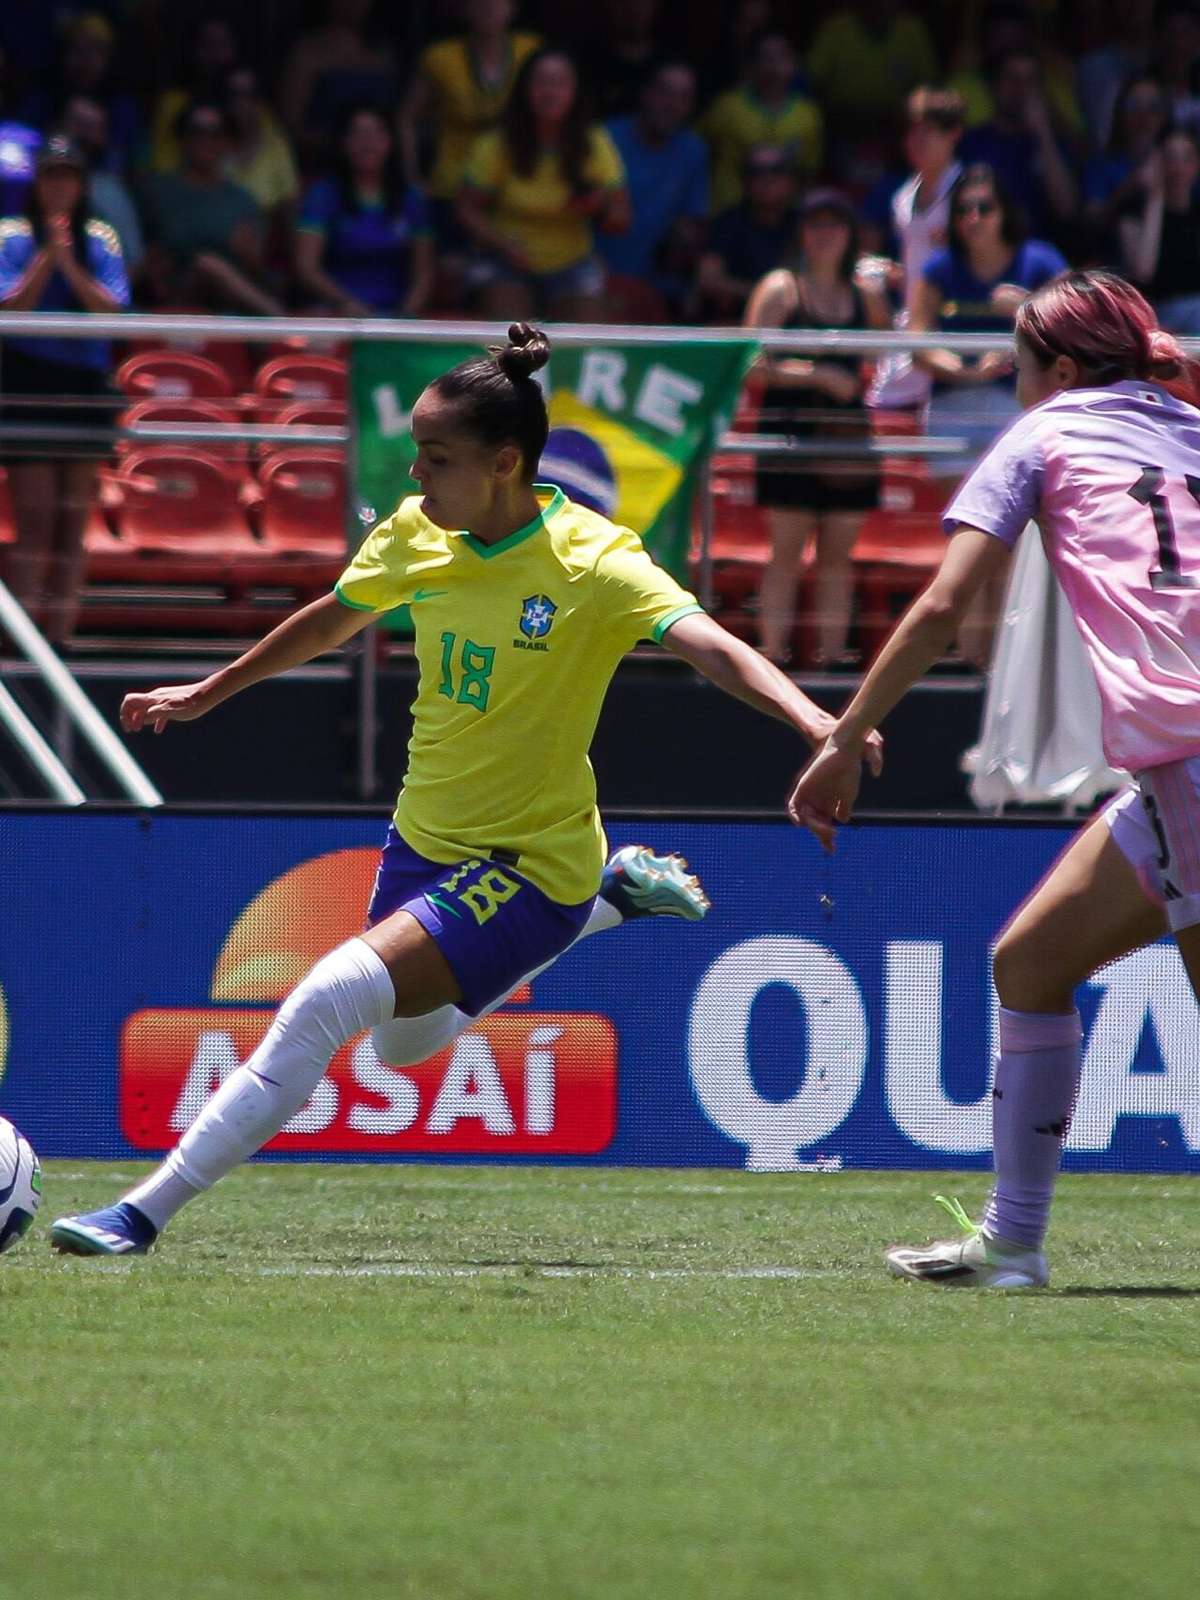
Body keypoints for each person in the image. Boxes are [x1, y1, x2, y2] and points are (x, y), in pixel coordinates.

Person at [49, 323, 881, 1256]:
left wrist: (819, 724)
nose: (414, 477)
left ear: (504, 464)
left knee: (325, 1000)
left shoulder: (594, 560)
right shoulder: (417, 535)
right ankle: (608, 904)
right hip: (425, 842)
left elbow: (712, 648)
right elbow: (330, 619)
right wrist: (210, 691)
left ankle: (139, 1214)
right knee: (402, 1043)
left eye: (435, 458)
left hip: (529, 860)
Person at [788, 269, 1200, 1290]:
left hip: (1191, 762)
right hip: (1168, 782)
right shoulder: (1189, 429)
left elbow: (940, 609)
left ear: (1057, 371)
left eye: (1019, 372)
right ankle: (1012, 1244)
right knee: (1029, 963)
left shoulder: (1046, 432)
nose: (1017, 391)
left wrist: (843, 738)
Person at [911, 163, 1068, 664]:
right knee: (972, 546)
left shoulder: (1039, 260)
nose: (974, 219)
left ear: (1005, 213)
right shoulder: (938, 268)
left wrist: (1028, 307)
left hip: (1019, 412)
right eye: (964, 210)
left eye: (985, 208)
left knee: (1011, 552)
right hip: (953, 407)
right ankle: (973, 662)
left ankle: (1003, 667)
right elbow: (916, 338)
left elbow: (1077, 324)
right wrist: (960, 368)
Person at [744, 190, 891, 668]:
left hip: (848, 437)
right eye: (814, 225)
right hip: (789, 431)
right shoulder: (781, 288)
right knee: (785, 550)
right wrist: (817, 374)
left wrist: (890, 283)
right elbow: (750, 361)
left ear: (850, 234)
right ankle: (770, 656)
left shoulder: (863, 295)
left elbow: (886, 350)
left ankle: (831, 657)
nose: (824, 235)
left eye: (835, 225)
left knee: (837, 556)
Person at [0, 134, 129, 642]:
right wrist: (46, 258)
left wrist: (69, 261)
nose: (59, 186)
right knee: (35, 518)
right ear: (38, 183)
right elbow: (11, 309)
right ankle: (24, 641)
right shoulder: (9, 234)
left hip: (83, 387)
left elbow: (111, 312)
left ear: (81, 184)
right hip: (29, 382)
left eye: (68, 176)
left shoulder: (101, 238)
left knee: (72, 523)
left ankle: (61, 637)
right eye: (51, 175)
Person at [457, 49, 629, 321]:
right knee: (515, 346)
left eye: (560, 83)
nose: (550, 92)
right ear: (524, 90)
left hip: (573, 264)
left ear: (575, 92)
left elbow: (621, 218)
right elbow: (466, 209)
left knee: (582, 345)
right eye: (541, 82)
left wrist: (600, 206)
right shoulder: (498, 143)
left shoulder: (594, 141)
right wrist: (501, 244)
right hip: (505, 262)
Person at [400, 0, 541, 240]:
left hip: (515, 186)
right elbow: (406, 118)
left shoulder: (531, 49)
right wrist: (412, 177)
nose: (488, 6)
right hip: (453, 187)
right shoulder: (439, 58)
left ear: (513, 8)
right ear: (464, 8)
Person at [863, 87, 966, 417]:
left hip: (955, 324)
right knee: (884, 410)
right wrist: (895, 274)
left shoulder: (972, 196)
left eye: (927, 132)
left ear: (953, 134)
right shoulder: (902, 198)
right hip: (910, 323)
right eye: (911, 132)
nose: (916, 141)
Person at [142, 101, 282, 316]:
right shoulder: (157, 192)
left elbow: (258, 271)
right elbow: (144, 258)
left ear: (227, 142)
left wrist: (250, 258)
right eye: (198, 132)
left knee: (213, 267)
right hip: (176, 298)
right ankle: (282, 322)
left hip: (231, 302)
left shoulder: (241, 200)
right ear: (182, 138)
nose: (206, 141)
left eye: (216, 134)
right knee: (206, 265)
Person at [297, 105, 434, 317]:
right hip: (337, 313)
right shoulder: (323, 194)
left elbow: (424, 273)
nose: (367, 143)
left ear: (390, 142)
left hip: (397, 314)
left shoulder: (411, 198)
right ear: (343, 143)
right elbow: (307, 267)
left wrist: (405, 317)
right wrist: (346, 303)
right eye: (358, 133)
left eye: (377, 133)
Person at [599, 60, 708, 314]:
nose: (672, 104)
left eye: (683, 97)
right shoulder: (606, 138)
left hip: (659, 288)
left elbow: (693, 224)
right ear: (646, 93)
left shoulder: (693, 150)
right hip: (595, 279)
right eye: (665, 92)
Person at [957, 49, 1079, 237]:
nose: (1021, 89)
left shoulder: (1052, 144)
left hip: (1038, 248)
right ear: (995, 85)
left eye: (1030, 81)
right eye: (1012, 79)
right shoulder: (972, 143)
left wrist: (1043, 133)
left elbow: (1066, 208)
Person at [702, 31, 823, 214]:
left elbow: (807, 173)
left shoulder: (808, 115)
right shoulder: (725, 107)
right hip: (728, 211)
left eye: (781, 57)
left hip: (783, 218)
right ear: (751, 65)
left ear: (794, 64)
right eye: (765, 57)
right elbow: (703, 156)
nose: (774, 65)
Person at [278, 0, 400, 165]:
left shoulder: (383, 52)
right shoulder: (308, 52)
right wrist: (341, 145)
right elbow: (291, 124)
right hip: (321, 165)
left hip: (378, 169)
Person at [695, 143, 799, 322]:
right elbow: (709, 280)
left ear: (791, 181)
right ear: (745, 181)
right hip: (736, 324)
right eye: (757, 172)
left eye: (777, 170)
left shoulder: (803, 224)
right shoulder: (727, 223)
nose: (768, 179)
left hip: (793, 325)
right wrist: (767, 295)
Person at [805, 1, 938, 136]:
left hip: (897, 126)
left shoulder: (912, 31)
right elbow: (812, 80)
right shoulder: (836, 29)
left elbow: (928, 85)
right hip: (842, 122)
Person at [1119, 129, 1200, 334]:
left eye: (1186, 158)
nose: (1178, 168)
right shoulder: (1133, 218)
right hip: (1158, 313)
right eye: (1170, 158)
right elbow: (1143, 271)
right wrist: (1155, 197)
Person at [1082, 74, 1168, 261]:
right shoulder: (1101, 164)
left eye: (1152, 107)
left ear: (1163, 115)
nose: (1143, 115)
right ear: (1120, 113)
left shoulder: (1178, 160)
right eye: (1134, 106)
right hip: (1117, 268)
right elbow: (1092, 224)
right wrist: (1128, 188)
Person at [62, 95, 145, 278]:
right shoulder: (34, 185)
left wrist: (103, 296)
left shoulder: (112, 191)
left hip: (98, 297)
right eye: (79, 125)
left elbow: (134, 262)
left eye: (93, 127)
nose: (85, 135)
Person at [148, 14, 242, 173]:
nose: (215, 53)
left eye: (222, 44)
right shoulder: (172, 103)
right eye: (208, 44)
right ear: (195, 50)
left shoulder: (249, 107)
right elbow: (162, 166)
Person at [222, 67, 300, 233]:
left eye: (248, 95)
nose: (240, 103)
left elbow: (290, 208)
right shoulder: (209, 145)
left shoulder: (277, 147)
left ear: (261, 102)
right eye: (233, 95)